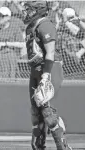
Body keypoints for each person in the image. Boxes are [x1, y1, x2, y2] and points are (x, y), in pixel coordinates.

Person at [20, 1, 72, 150]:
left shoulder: (45, 25)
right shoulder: (30, 26)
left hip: (49, 68)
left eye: (28, 9)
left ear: (38, 10)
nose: (25, 12)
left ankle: (62, 145)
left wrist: (46, 76)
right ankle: (39, 144)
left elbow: (50, 53)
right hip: (35, 70)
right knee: (35, 112)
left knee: (47, 110)